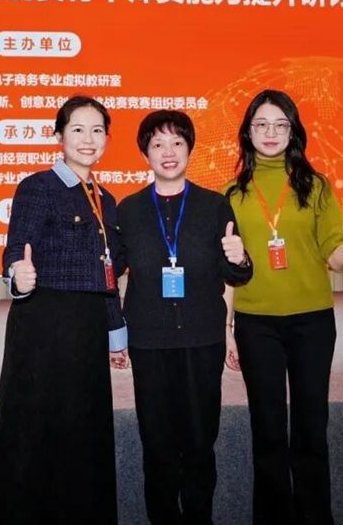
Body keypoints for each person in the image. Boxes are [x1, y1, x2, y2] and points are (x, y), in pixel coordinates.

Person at [225, 90, 343, 524]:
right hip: (256, 323)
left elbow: (337, 260)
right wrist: (227, 327)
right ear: (248, 132)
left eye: (280, 124)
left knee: (311, 426)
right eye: (261, 124)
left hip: (312, 322)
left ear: (293, 132)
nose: (270, 133)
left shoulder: (316, 186)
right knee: (268, 429)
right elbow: (227, 272)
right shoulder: (231, 194)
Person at [0, 95, 125, 524]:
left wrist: (116, 332)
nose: (88, 139)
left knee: (84, 431)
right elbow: (15, 250)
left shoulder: (106, 199)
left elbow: (107, 272)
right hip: (43, 325)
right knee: (34, 431)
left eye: (97, 130)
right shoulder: (38, 187)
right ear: (59, 135)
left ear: (106, 139)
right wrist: (17, 275)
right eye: (77, 129)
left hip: (88, 328)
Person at [115, 109, 253, 524]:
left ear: (190, 149)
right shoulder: (129, 210)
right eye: (157, 144)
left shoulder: (214, 205)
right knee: (156, 442)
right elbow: (111, 272)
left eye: (177, 142)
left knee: (199, 441)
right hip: (149, 341)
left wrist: (240, 258)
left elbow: (237, 275)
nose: (168, 151)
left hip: (202, 339)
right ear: (145, 154)